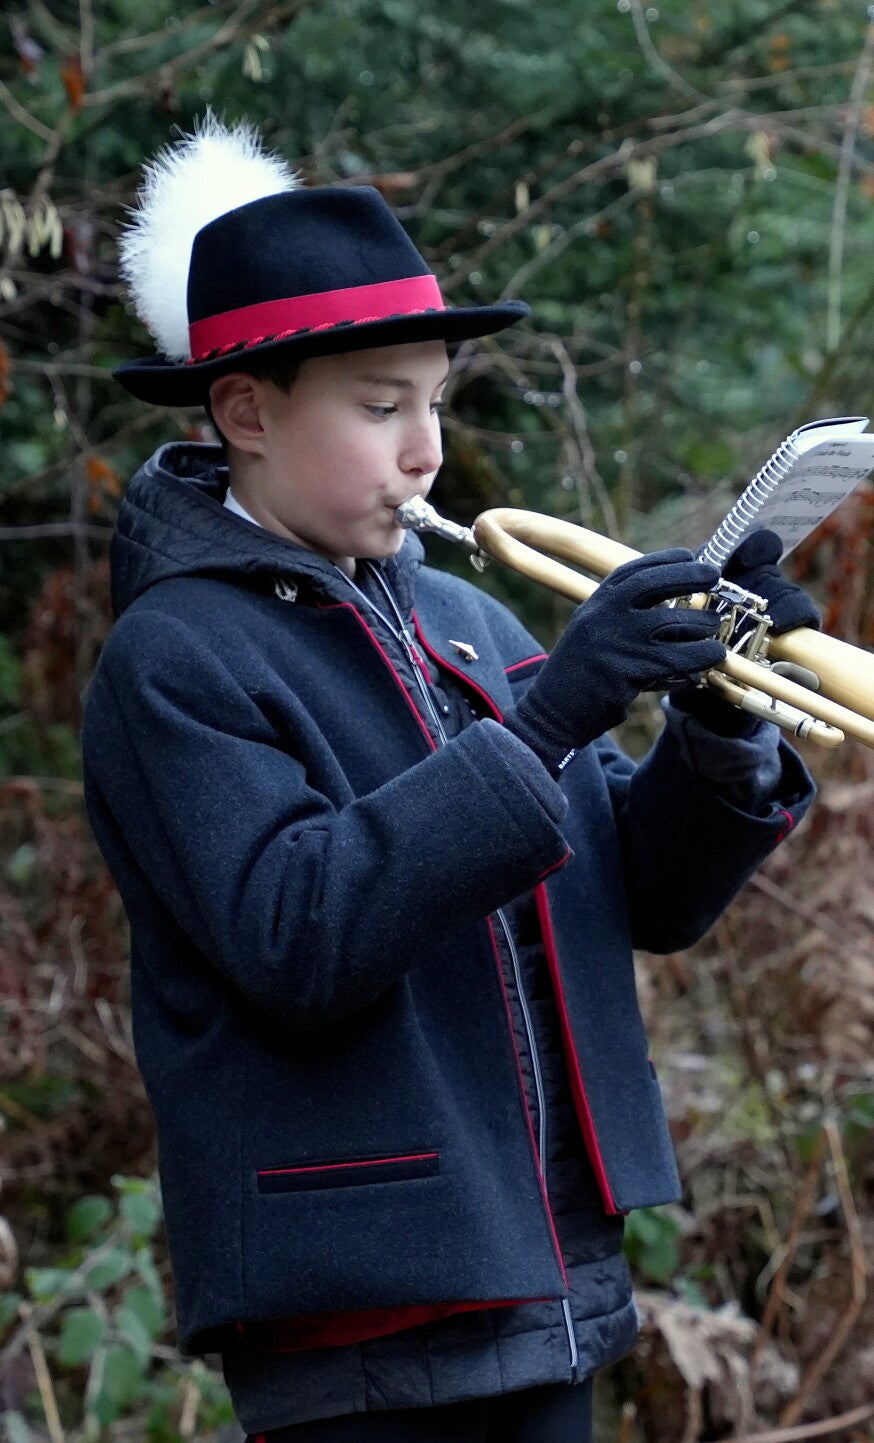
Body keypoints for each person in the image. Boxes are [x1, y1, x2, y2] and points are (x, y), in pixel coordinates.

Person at [81, 118, 817, 1440]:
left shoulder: (468, 619)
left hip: (548, 1278)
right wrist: (555, 717)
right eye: (381, 408)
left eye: (435, 401)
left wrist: (719, 717)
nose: (426, 449)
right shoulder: (175, 655)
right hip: (360, 1305)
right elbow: (298, 933)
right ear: (245, 412)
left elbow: (643, 898)